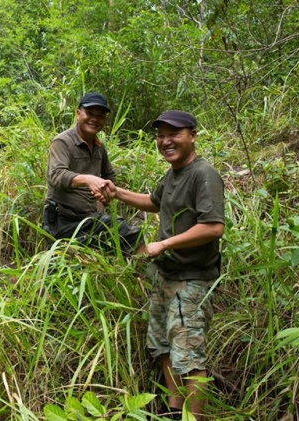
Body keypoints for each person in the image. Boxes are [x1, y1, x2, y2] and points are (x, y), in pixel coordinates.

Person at [112, 111, 224, 420]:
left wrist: (164, 243)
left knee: (190, 357)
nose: (166, 141)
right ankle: (174, 413)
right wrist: (116, 192)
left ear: (192, 135)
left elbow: (213, 227)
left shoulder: (204, 174)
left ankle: (193, 418)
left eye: (173, 133)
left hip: (191, 280)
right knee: (164, 348)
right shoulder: (174, 173)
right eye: (161, 135)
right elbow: (153, 201)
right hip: (165, 276)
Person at [43, 92, 144, 255]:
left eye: (100, 116)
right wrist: (87, 180)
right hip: (62, 221)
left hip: (90, 219)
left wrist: (102, 201)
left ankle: (141, 275)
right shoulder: (62, 142)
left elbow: (109, 175)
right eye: (89, 114)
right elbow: (56, 175)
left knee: (130, 235)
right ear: (78, 113)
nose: (94, 120)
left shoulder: (99, 147)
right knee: (61, 271)